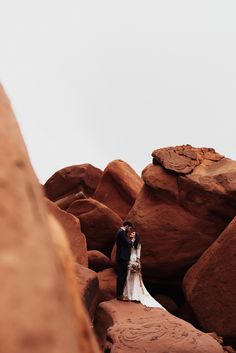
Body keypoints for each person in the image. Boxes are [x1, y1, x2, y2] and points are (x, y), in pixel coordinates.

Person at [123, 228, 165, 309]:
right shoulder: (130, 242)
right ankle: (128, 294)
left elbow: (138, 254)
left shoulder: (138, 244)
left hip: (134, 260)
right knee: (128, 277)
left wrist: (138, 265)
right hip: (130, 260)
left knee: (135, 278)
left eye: (133, 233)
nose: (132, 233)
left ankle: (135, 295)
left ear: (136, 235)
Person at [115, 221, 135, 301]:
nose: (130, 230)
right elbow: (128, 244)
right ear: (126, 226)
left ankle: (120, 294)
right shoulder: (121, 232)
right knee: (121, 276)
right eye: (130, 228)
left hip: (122, 257)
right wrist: (133, 240)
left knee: (122, 275)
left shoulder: (121, 232)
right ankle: (119, 295)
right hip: (122, 257)